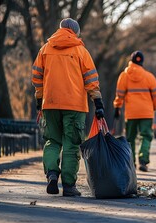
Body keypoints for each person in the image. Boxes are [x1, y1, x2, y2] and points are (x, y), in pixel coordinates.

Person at [31, 18, 104, 197]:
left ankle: (52, 174)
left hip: (50, 103)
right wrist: (98, 103)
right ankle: (69, 186)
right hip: (75, 105)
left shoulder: (44, 50)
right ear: (76, 32)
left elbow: (37, 79)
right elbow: (91, 81)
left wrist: (40, 101)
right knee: (71, 144)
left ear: (60, 29)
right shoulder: (81, 51)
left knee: (52, 141)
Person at [113, 51, 156, 172]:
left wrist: (117, 107)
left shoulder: (123, 76)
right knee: (146, 136)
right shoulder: (149, 77)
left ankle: (131, 162)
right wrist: (154, 107)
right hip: (146, 112)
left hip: (131, 113)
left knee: (130, 138)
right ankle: (143, 160)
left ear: (131, 60)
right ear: (142, 62)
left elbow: (120, 95)